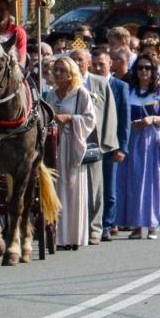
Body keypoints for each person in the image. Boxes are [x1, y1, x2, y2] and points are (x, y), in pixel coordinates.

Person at [116, 54, 160, 239]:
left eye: (148, 68)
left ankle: (152, 224)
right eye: (140, 68)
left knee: (152, 182)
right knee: (133, 181)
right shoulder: (129, 90)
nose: (143, 71)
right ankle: (136, 225)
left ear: (153, 71)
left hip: (153, 140)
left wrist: (152, 119)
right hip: (133, 138)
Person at [43, 55, 97, 251]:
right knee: (56, 189)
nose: (57, 74)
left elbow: (90, 119)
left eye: (61, 70)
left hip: (72, 144)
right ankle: (57, 235)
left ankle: (73, 236)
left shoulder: (80, 93)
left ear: (71, 73)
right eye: (55, 70)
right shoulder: (51, 95)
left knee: (72, 190)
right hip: (54, 145)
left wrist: (70, 118)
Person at [81, 50, 119, 244]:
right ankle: (77, 229)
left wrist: (108, 142)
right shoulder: (63, 84)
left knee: (96, 187)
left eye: (80, 59)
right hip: (73, 142)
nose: (77, 63)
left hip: (95, 142)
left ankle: (96, 229)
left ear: (88, 62)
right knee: (75, 188)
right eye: (74, 60)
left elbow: (110, 114)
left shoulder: (100, 82)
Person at [102, 48, 133, 239]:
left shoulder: (120, 86)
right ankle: (97, 223)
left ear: (110, 64)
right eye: (95, 64)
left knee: (110, 188)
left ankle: (108, 223)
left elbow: (125, 118)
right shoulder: (86, 84)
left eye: (102, 64)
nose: (98, 67)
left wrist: (123, 146)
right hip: (93, 144)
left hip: (112, 144)